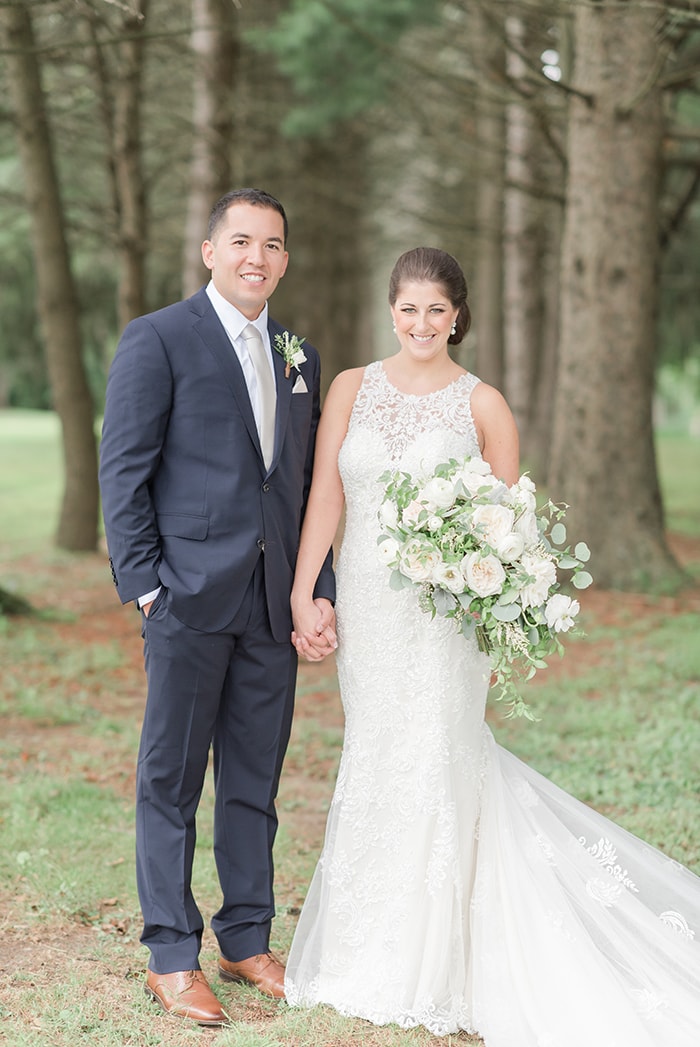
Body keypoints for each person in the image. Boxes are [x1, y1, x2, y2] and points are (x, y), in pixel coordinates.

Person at [284, 246, 700, 1045]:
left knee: (439, 757)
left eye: (436, 310)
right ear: (391, 309)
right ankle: (366, 945)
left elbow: (511, 532)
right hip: (369, 608)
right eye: (408, 308)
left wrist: (477, 579)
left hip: (443, 620)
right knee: (376, 755)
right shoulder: (349, 389)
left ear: (458, 317)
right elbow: (328, 493)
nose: (420, 324)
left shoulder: (484, 406)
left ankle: (432, 961)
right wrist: (309, 589)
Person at [99, 188, 336, 1027]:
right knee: (169, 781)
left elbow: (307, 486)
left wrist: (316, 590)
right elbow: (124, 471)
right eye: (241, 241)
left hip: (272, 605)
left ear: (283, 258)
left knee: (254, 781)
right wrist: (149, 585)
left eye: (272, 244)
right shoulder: (158, 338)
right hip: (188, 600)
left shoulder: (296, 352)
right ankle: (171, 950)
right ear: (209, 251)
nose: (256, 258)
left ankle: (246, 937)